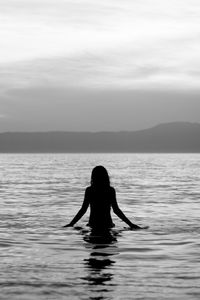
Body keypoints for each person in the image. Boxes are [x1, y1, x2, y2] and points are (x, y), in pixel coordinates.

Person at [63, 166, 142, 230]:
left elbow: (83, 210)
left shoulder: (90, 190)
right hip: (108, 224)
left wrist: (71, 224)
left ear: (93, 177)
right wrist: (130, 224)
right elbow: (116, 210)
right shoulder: (110, 190)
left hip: (93, 224)